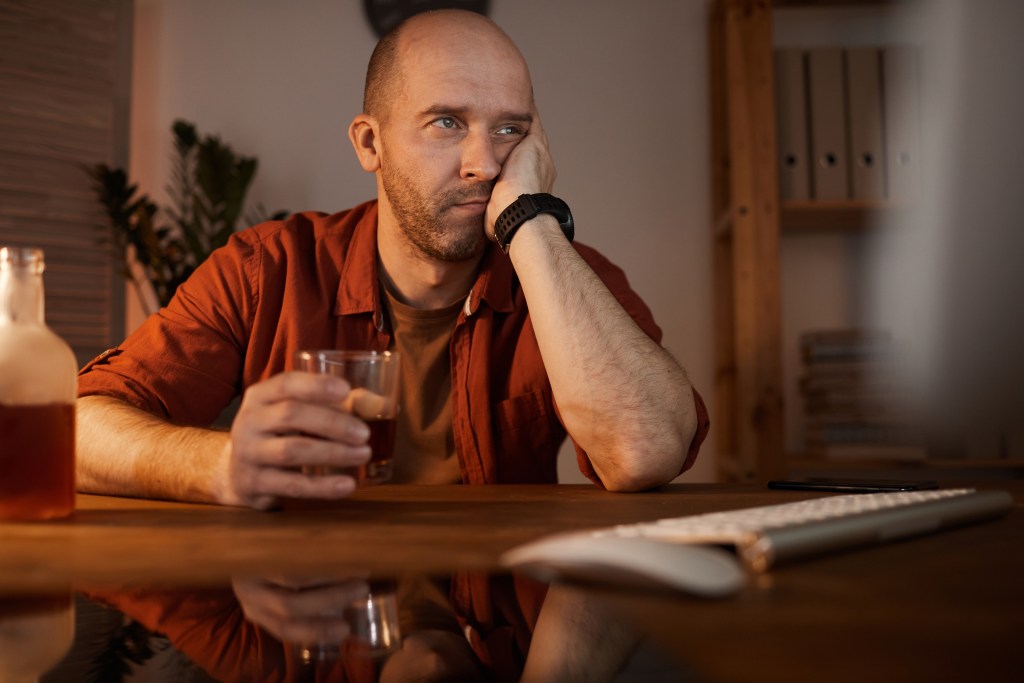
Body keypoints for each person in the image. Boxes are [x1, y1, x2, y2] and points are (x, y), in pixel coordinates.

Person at [75, 9, 709, 510]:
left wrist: (530, 220)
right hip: (312, 623)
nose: (484, 165)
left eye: (511, 129)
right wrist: (219, 464)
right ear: (370, 142)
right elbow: (76, 432)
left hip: (503, 626)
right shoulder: (268, 269)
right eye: (446, 123)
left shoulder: (567, 277)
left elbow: (644, 452)